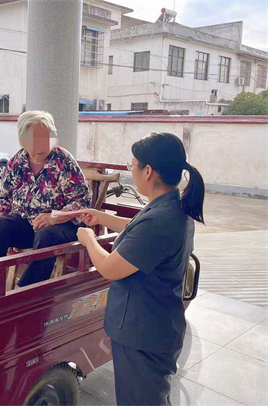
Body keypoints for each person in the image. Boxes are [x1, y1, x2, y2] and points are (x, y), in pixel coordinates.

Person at [76, 132, 205, 405]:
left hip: (144, 333)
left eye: (131, 166)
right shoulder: (170, 207)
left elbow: (110, 268)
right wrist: (100, 217)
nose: (130, 171)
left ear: (148, 171)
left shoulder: (161, 219)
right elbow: (135, 231)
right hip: (151, 327)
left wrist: (88, 239)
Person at [0, 111, 90, 300]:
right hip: (28, 224)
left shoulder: (63, 161)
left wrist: (55, 216)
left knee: (47, 236)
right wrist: (8, 238)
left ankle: (24, 293)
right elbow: (5, 199)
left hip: (63, 226)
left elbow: (83, 201)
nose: (40, 146)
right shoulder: (16, 163)